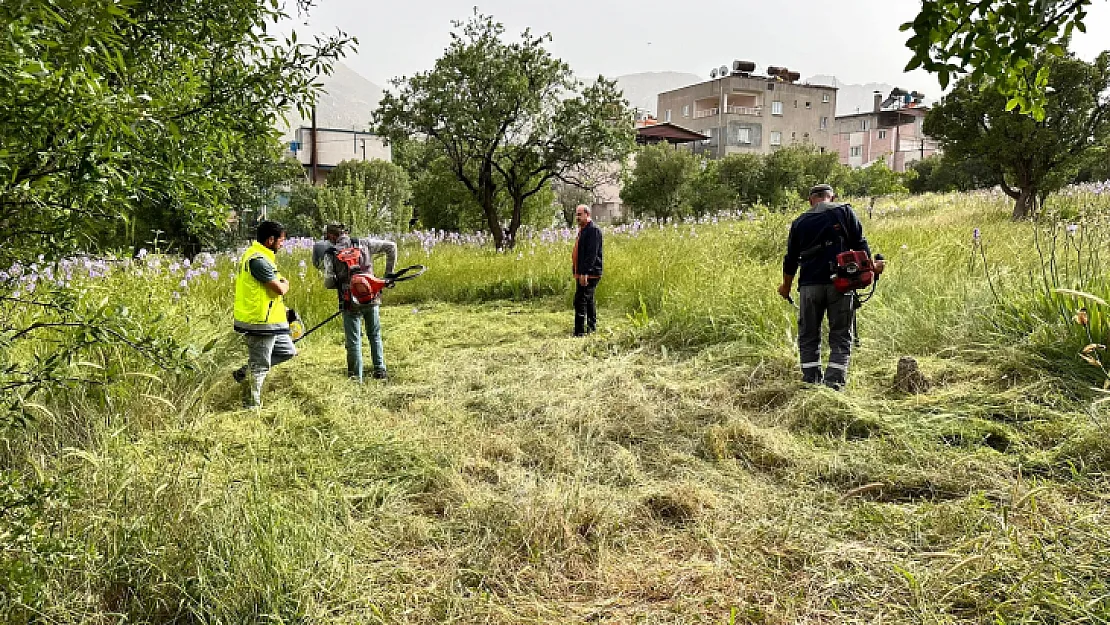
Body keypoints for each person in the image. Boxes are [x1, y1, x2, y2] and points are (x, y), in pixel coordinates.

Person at [777, 184, 884, 389]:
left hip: (809, 287)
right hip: (841, 284)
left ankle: (811, 382)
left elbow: (790, 260)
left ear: (810, 201)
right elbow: (860, 244)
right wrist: (873, 268)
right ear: (832, 197)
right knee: (841, 336)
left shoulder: (799, 222)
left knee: (809, 335)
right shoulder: (844, 211)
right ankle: (834, 386)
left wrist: (785, 287)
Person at [232, 221, 297, 408]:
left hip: (272, 321)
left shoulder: (262, 257)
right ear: (270, 240)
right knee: (260, 367)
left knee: (288, 352)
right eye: (281, 240)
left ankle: (244, 372)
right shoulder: (258, 261)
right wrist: (286, 284)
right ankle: (252, 406)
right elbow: (279, 289)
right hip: (260, 322)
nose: (282, 244)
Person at [322, 225, 397, 382]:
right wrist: (388, 273)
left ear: (331, 236)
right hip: (371, 296)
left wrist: (339, 280)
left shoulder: (330, 254)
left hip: (349, 301)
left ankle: (356, 378)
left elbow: (329, 283)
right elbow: (392, 247)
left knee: (354, 340)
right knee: (374, 334)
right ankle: (380, 370)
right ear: (345, 232)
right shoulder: (364, 243)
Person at [571, 204, 603, 336]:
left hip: (590, 273)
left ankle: (579, 332)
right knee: (588, 300)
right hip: (582, 273)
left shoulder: (593, 230)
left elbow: (591, 254)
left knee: (580, 300)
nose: (577, 217)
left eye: (580, 214)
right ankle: (591, 327)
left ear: (587, 215)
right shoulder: (583, 229)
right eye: (576, 214)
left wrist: (585, 273)